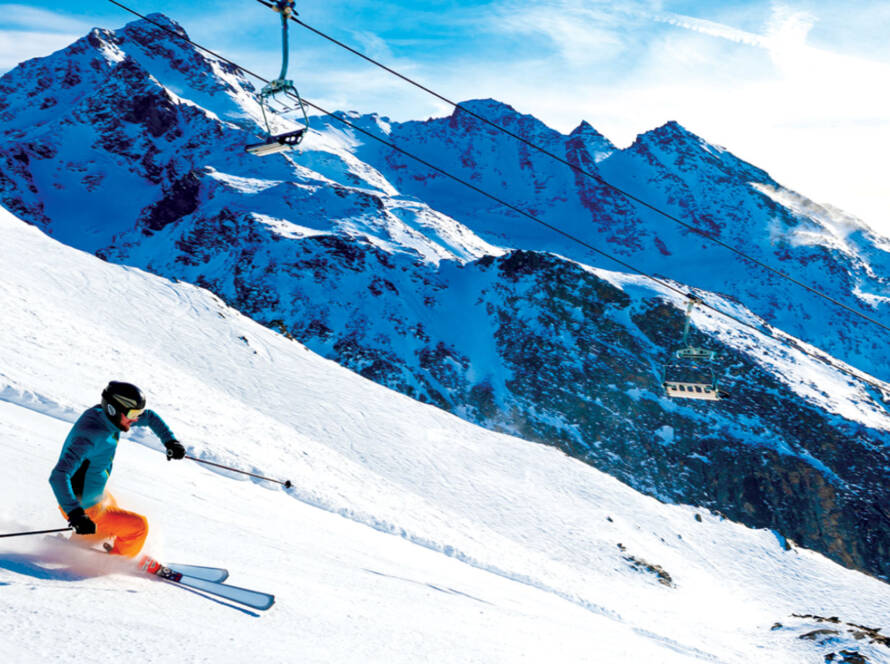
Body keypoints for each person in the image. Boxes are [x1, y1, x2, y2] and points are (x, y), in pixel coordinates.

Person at [49, 381, 186, 557]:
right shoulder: (90, 436)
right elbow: (59, 475)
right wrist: (76, 514)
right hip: (86, 508)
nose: (136, 418)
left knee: (111, 504)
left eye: (138, 413)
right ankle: (118, 559)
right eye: (133, 414)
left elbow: (150, 417)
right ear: (114, 409)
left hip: (94, 497)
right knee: (139, 527)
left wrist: (170, 441)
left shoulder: (107, 418)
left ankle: (83, 541)